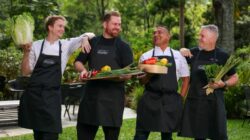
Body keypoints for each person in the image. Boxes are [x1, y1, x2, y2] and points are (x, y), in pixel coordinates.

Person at [19, 15, 94, 140]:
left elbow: (91, 34)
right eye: (60, 26)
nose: (63, 29)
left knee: (51, 134)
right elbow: (25, 72)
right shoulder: (36, 46)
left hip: (52, 97)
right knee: (38, 135)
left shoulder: (66, 45)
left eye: (63, 26)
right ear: (50, 27)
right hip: (34, 97)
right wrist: (26, 53)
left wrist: (85, 38)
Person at [74, 11, 133, 140]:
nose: (117, 27)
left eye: (119, 24)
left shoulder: (124, 47)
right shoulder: (92, 42)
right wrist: (83, 71)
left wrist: (117, 76)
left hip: (113, 101)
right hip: (91, 99)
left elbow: (129, 73)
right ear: (105, 24)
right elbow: (78, 62)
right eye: (114, 24)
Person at [178, 24, 239, 140]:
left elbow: (235, 77)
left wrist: (224, 84)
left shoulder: (223, 56)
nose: (199, 38)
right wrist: (182, 50)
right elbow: (176, 57)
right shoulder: (193, 53)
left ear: (212, 38)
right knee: (199, 136)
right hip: (196, 102)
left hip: (214, 103)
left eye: (202, 36)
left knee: (219, 136)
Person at [134, 25, 190, 140]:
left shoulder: (178, 56)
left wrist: (180, 98)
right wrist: (150, 73)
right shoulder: (146, 56)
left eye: (160, 32)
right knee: (141, 134)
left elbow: (186, 79)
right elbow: (141, 81)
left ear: (168, 36)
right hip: (150, 99)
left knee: (167, 136)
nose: (156, 35)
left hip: (170, 101)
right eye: (154, 33)